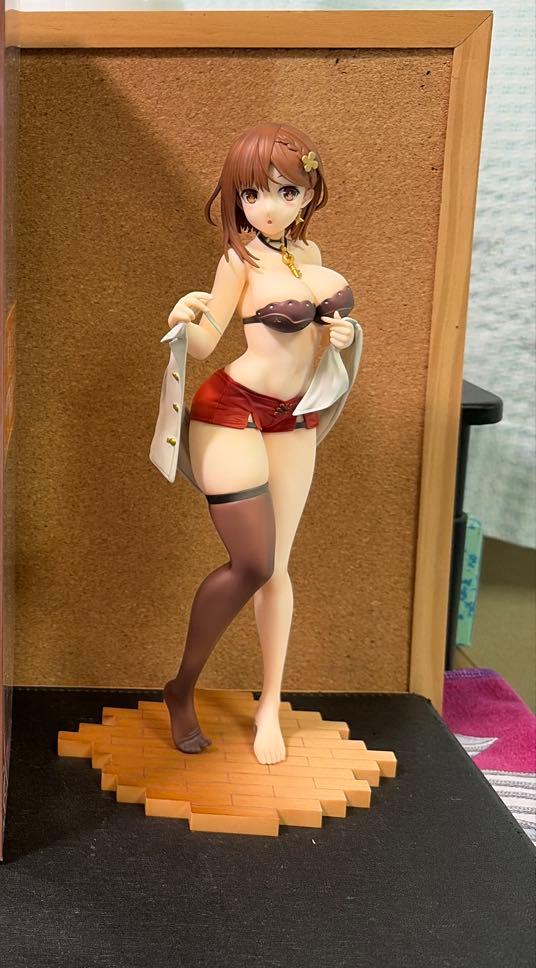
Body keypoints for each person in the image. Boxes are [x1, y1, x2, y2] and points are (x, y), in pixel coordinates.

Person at [161, 123, 357, 765]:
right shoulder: (237, 262)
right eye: (250, 195)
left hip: (294, 415)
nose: (267, 207)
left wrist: (343, 335)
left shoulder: (310, 251)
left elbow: (316, 339)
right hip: (231, 408)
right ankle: (182, 687)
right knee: (252, 562)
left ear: (308, 192)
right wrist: (183, 321)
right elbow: (207, 339)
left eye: (284, 191)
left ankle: (270, 703)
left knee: (279, 567)